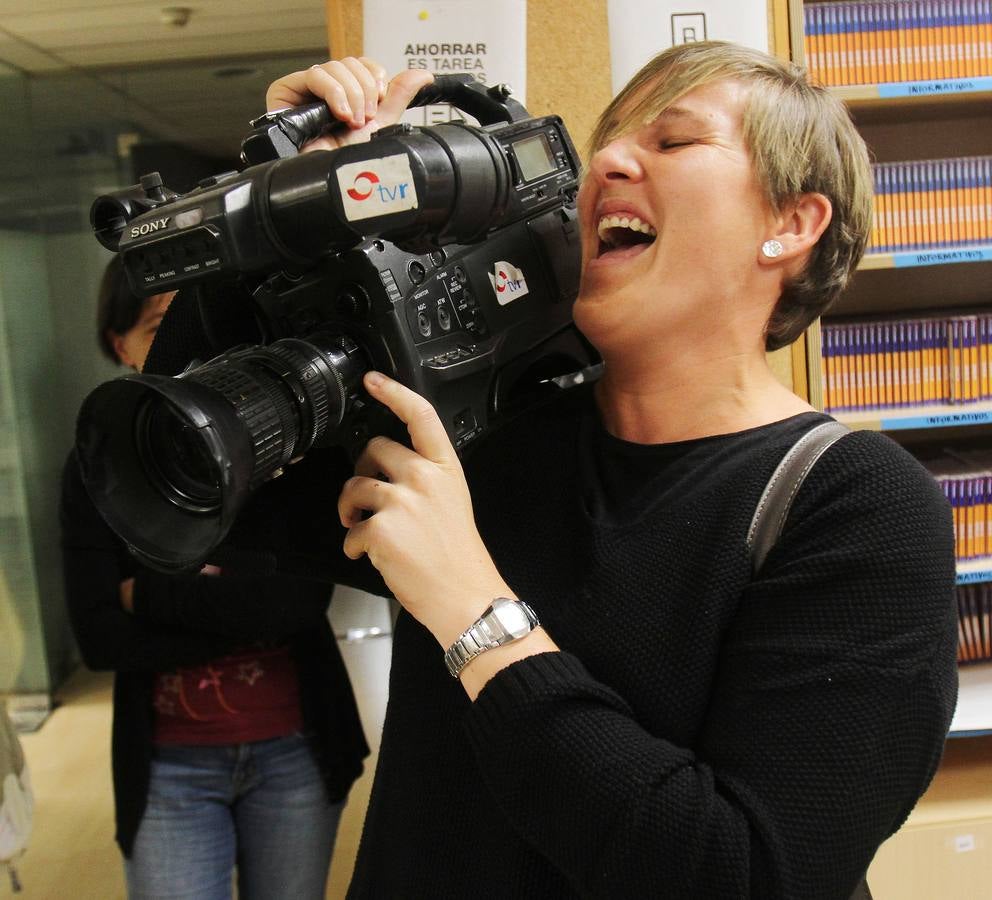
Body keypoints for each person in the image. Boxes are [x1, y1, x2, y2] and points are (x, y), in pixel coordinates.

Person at [225, 41, 956, 898]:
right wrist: (286, 197)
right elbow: (199, 503)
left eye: (673, 141)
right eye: (610, 140)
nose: (606, 162)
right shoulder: (482, 435)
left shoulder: (855, 504)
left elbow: (746, 872)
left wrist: (474, 612)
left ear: (791, 225)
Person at [59, 256, 368, 899]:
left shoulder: (285, 444)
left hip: (296, 753)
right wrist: (245, 608)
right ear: (120, 345)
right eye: (160, 330)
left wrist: (144, 594)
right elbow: (98, 638)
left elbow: (297, 608)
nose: (188, 348)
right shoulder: (100, 464)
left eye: (197, 324)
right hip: (168, 768)